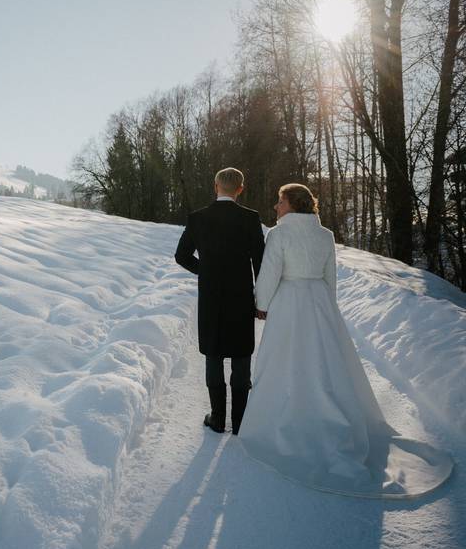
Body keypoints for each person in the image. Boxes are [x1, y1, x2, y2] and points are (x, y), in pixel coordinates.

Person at [239, 183, 453, 498]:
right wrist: (328, 309)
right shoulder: (324, 235)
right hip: (319, 302)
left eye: (279, 201)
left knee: (284, 360)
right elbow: (330, 277)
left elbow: (270, 272)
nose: (275, 207)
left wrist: (262, 305)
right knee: (324, 362)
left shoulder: (279, 234)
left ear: (292, 204)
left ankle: (285, 419)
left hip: (289, 302)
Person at [175, 167, 265, 435]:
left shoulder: (197, 218)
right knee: (241, 355)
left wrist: (206, 270)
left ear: (216, 186)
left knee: (213, 355)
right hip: (241, 297)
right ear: (240, 189)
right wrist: (262, 297)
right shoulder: (250, 219)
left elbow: (182, 256)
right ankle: (240, 422)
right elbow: (260, 261)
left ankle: (217, 419)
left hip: (211, 297)